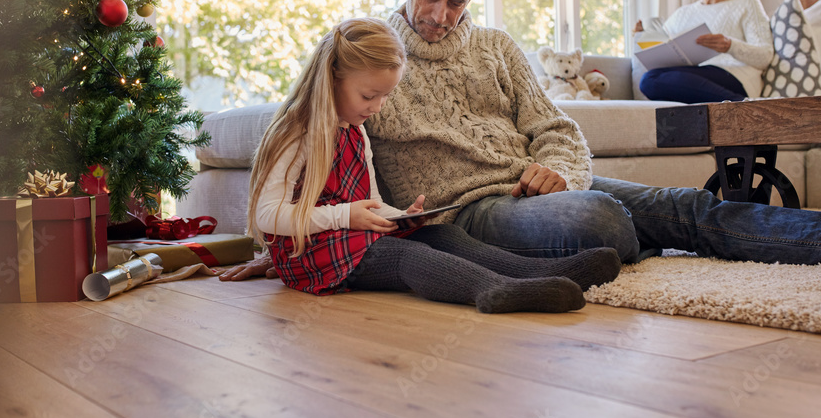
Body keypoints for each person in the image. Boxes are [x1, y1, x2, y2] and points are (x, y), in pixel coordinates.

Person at [222, 0, 821, 282]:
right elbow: (305, 131)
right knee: (603, 220)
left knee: (685, 203)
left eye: (458, 3)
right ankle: (623, 241)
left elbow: (556, 128)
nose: (441, 16)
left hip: (540, 192)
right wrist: (287, 239)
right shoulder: (374, 61)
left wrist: (559, 171)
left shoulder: (499, 48)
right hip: (471, 213)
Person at [222, 16, 622, 314]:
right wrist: (346, 216)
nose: (377, 108)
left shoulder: (354, 129)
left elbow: (371, 202)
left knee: (442, 238)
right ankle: (493, 291)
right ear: (332, 79)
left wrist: (401, 218)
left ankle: (546, 270)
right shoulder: (297, 132)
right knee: (406, 259)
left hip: (352, 236)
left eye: (384, 97)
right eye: (369, 96)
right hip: (313, 256)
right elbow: (268, 214)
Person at [633, 0, 773, 104]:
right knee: (651, 79)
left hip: (735, 77)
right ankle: (739, 104)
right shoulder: (682, 14)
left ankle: (743, 104)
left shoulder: (747, 3)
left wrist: (730, 46)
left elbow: (765, 56)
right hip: (694, 77)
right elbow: (661, 47)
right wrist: (642, 34)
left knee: (650, 80)